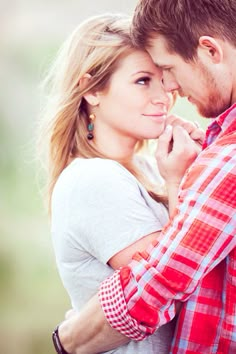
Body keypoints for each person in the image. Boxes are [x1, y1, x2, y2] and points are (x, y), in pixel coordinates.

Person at [54, 1, 236, 354]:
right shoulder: (94, 179)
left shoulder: (158, 166)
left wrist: (186, 173)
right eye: (143, 80)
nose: (166, 93)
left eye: (165, 73)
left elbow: (177, 270)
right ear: (91, 90)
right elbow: (172, 276)